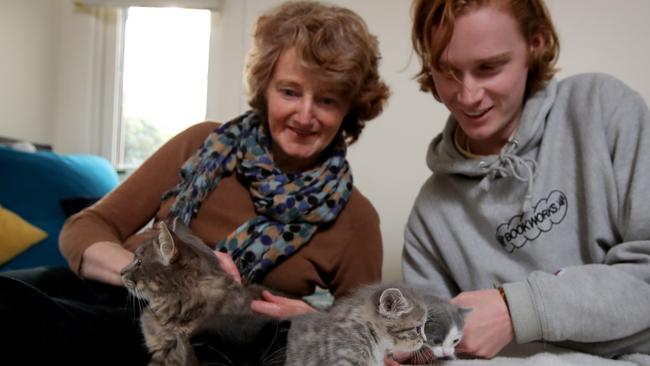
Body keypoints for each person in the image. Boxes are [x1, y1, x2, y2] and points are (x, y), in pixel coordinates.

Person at [0, 1, 389, 364]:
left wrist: (311, 321)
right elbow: (82, 229)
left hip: (191, 339)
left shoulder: (356, 220)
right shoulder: (202, 144)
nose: (304, 115)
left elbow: (370, 341)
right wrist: (155, 279)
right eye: (289, 91)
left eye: (327, 100)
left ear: (350, 109)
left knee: (18, 312)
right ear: (265, 89)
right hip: (124, 289)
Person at [399, 0, 650, 362]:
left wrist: (517, 310)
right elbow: (432, 354)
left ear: (536, 43)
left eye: (489, 67)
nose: (467, 96)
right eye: (448, 71)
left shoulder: (605, 110)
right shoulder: (430, 215)